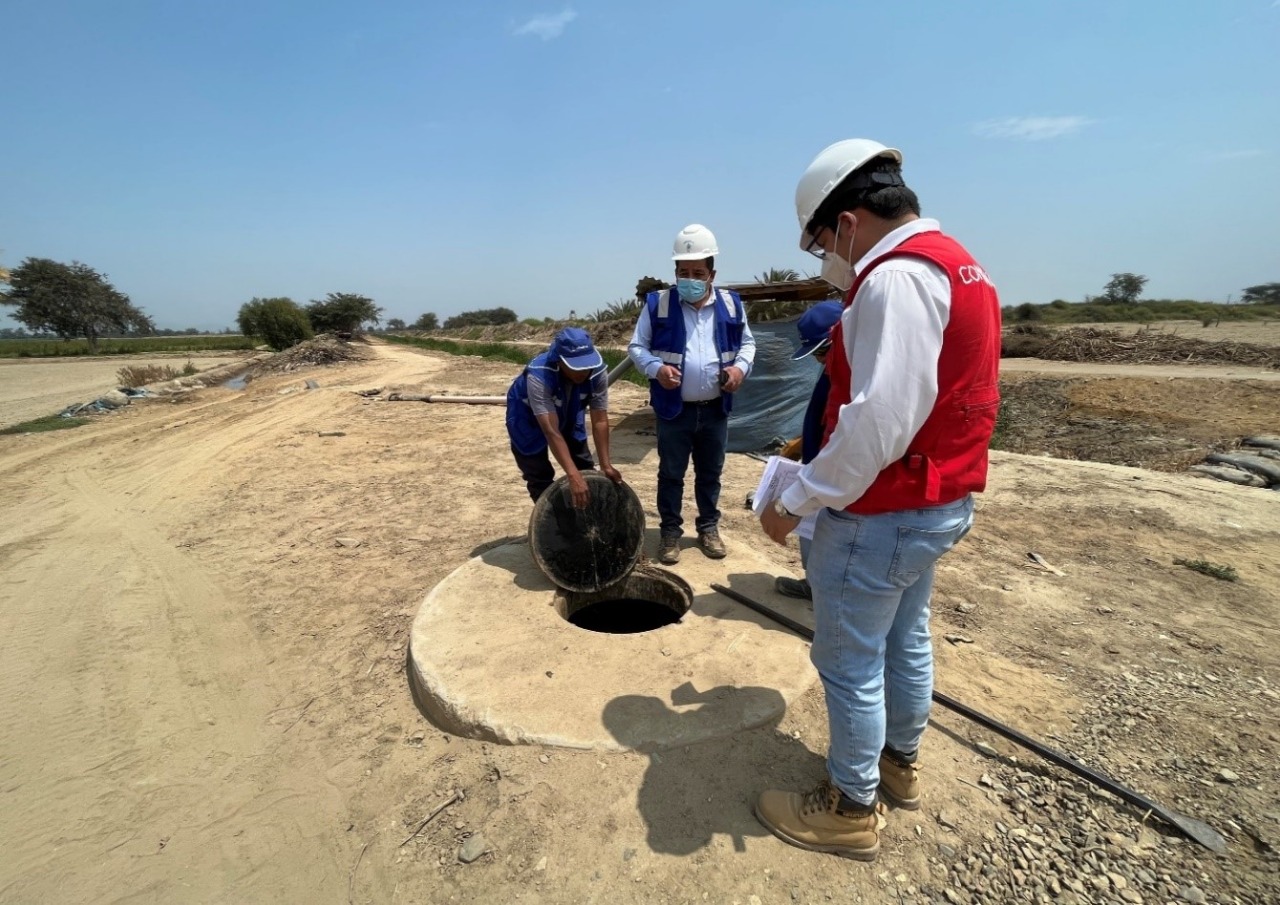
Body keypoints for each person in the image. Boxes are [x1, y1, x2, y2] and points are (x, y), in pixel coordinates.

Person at [754, 139, 1002, 860]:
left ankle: (849, 807)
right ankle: (899, 763)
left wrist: (795, 499)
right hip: (936, 501)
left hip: (882, 514)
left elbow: (878, 422)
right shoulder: (963, 266)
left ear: (850, 222)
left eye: (823, 241)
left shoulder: (894, 279)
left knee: (849, 661)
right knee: (904, 638)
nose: (828, 257)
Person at [628, 224, 756, 564]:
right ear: (675, 272)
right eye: (683, 272)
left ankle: (708, 527)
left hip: (715, 409)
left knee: (710, 473)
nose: (690, 278)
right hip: (674, 410)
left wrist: (740, 368)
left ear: (712, 274)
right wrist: (657, 369)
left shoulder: (730, 305)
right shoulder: (659, 304)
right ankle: (670, 532)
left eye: (698, 272)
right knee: (671, 474)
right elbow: (636, 347)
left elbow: (747, 344)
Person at [506, 326, 622, 508]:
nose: (583, 372)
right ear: (559, 361)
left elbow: (599, 420)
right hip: (526, 415)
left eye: (587, 365)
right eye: (576, 367)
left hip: (570, 407)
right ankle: (557, 524)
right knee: (538, 473)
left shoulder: (598, 373)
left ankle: (588, 516)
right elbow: (551, 431)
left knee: (583, 464)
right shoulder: (539, 376)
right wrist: (571, 474)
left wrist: (606, 465)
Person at [774, 300, 842, 601]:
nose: (819, 360)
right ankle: (814, 584)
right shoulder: (832, 370)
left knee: (833, 536)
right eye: (815, 354)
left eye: (823, 351)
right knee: (811, 530)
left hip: (836, 472)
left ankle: (828, 592)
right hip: (816, 466)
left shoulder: (854, 374)